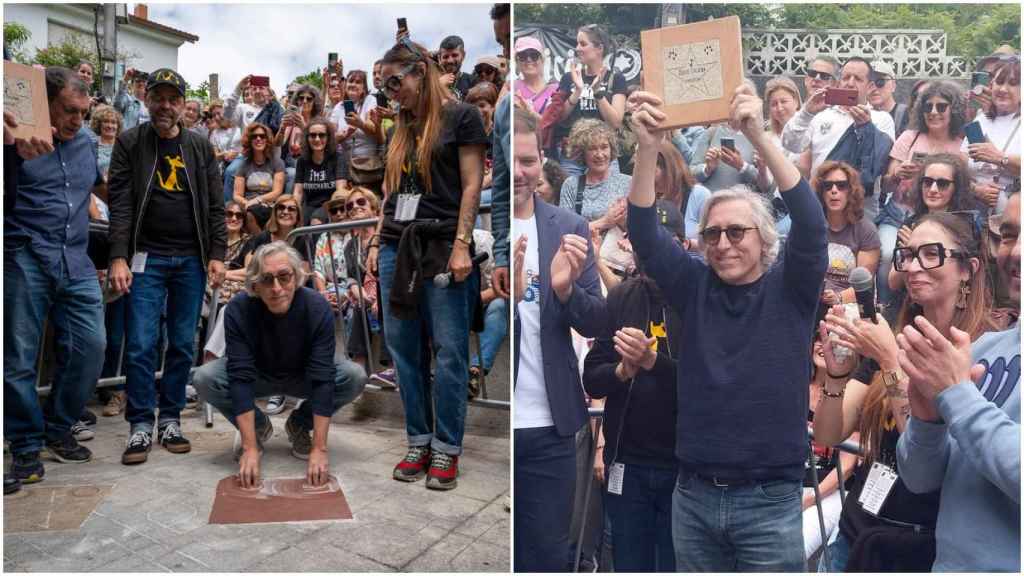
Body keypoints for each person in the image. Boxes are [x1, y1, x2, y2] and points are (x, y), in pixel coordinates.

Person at [626, 84, 828, 571]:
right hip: (692, 494)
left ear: (764, 239)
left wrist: (758, 135)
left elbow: (811, 223)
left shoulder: (792, 288)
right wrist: (649, 147)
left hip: (769, 501)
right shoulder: (695, 286)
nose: (722, 243)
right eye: (712, 234)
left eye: (736, 232)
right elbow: (644, 235)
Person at [815, 209, 995, 571]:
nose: (913, 266)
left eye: (931, 254)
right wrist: (834, 378)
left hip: (919, 549)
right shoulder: (892, 337)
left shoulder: (985, 351)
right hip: (854, 535)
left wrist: (891, 362)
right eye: (908, 255)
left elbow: (931, 463)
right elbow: (827, 433)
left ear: (968, 268)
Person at [367, 38, 487, 491]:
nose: (391, 91)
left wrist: (461, 245)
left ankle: (447, 447)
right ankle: (418, 438)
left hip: (442, 241)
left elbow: (472, 186)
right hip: (399, 243)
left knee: (451, 351)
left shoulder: (462, 115)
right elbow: (390, 192)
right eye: (384, 84)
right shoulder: (400, 124)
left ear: (421, 71)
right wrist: (380, 242)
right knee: (403, 349)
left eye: (396, 81)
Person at [106, 68, 226, 466]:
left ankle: (170, 418)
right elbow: (120, 203)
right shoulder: (129, 143)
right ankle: (140, 423)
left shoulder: (200, 147)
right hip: (146, 258)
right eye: (158, 97)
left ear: (182, 105)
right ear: (147, 100)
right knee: (140, 343)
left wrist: (217, 254)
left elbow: (214, 206)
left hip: (191, 258)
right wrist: (118, 255)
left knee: (180, 343)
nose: (165, 105)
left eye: (173, 98)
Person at [896, 190, 1020, 572]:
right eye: (1010, 234)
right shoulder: (983, 349)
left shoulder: (961, 365)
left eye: (931, 254)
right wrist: (927, 422)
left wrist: (956, 394)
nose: (1014, 252)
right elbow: (919, 479)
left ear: (968, 268)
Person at [512, 106, 606, 572]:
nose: (519, 172)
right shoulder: (473, 229)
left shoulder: (570, 227)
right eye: (509, 158)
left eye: (528, 161)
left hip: (550, 423)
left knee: (546, 554)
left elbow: (595, 322)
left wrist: (565, 290)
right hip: (500, 429)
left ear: (541, 160)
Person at [192, 241, 367, 488]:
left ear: (296, 277)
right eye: (266, 279)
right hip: (257, 376)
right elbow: (240, 376)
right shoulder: (238, 309)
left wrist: (320, 448)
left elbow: (322, 378)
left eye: (284, 277)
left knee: (353, 375)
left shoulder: (316, 307)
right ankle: (258, 427)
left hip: (302, 375)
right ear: (255, 285)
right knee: (204, 377)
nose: (276, 288)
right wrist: (249, 447)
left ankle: (299, 424)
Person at [4, 66, 106, 484]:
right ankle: (26, 446)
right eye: (69, 110)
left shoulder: (87, 142)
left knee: (92, 346)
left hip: (76, 259)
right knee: (19, 358)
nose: (77, 120)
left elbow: (103, 190)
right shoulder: (13, 136)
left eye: (83, 112)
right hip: (25, 253)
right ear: (46, 104)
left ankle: (59, 426)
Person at [582, 203, 684, 572]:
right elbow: (592, 375)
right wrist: (623, 371)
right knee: (628, 562)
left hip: (684, 466)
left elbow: (709, 382)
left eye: (663, 244)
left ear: (683, 245)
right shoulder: (623, 296)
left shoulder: (697, 298)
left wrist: (652, 363)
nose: (652, 254)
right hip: (628, 460)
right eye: (644, 244)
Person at [878, 82, 969, 305]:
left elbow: (964, 186)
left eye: (941, 107)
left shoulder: (962, 144)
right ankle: (887, 307)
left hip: (944, 218)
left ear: (953, 109)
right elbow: (887, 185)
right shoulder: (910, 137)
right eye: (928, 107)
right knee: (890, 255)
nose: (934, 112)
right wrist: (898, 173)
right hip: (901, 215)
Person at [789, 58, 896, 221]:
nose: (850, 83)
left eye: (858, 79)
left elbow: (877, 167)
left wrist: (867, 128)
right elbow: (791, 144)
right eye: (846, 78)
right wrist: (806, 112)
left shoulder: (881, 119)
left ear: (870, 86)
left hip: (860, 215)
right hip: (819, 209)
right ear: (838, 82)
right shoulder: (820, 115)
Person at [886, 154, 979, 312]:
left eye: (942, 184)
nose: (933, 189)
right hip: (912, 306)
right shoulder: (910, 224)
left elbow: (973, 279)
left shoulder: (967, 226)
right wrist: (910, 251)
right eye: (927, 182)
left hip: (957, 308)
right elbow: (893, 283)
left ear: (956, 188)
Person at [552, 24, 628, 177]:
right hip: (573, 155)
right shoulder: (569, 77)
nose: (577, 48)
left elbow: (615, 122)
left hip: (604, 155)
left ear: (599, 48)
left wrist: (598, 93)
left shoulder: (616, 78)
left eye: (583, 43)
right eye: (577, 43)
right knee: (570, 196)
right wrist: (577, 92)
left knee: (608, 199)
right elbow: (558, 117)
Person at [813, 161, 881, 306]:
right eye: (827, 186)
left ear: (851, 191)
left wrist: (838, 298)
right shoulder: (811, 226)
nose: (834, 190)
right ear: (821, 192)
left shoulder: (866, 230)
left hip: (850, 303)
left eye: (841, 185)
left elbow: (864, 285)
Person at [963, 56, 1020, 221]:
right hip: (975, 214)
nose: (1003, 89)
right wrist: (977, 189)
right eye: (999, 82)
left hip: (1013, 218)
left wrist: (999, 158)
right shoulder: (981, 119)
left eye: (1013, 83)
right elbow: (960, 165)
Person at [558, 118, 632, 230]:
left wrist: (623, 223)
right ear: (581, 153)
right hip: (585, 246)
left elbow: (643, 229)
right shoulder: (571, 185)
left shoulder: (628, 183)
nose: (600, 154)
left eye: (604, 147)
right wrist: (604, 222)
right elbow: (564, 229)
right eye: (592, 148)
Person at [222, 74, 285, 195]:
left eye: (261, 88)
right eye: (254, 88)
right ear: (250, 91)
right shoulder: (243, 108)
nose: (257, 91)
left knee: (291, 175)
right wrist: (239, 88)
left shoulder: (278, 108)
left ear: (268, 90)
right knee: (230, 171)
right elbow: (227, 113)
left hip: (272, 157)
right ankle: (230, 210)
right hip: (247, 157)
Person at [781, 55, 840, 155]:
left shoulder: (839, 116)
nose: (817, 78)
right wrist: (806, 114)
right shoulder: (798, 113)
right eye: (813, 73)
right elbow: (790, 145)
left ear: (835, 84)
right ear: (806, 80)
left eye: (824, 76)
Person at [335, 70, 382, 193]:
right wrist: (342, 135)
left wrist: (359, 124)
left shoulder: (370, 100)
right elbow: (329, 137)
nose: (353, 85)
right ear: (345, 86)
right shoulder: (339, 106)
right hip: (346, 165)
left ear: (364, 88)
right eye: (350, 81)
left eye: (358, 82)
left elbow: (374, 129)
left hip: (368, 165)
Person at [234, 122, 286, 233]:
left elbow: (277, 192)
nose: (258, 139)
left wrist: (258, 200)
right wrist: (247, 203)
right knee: (249, 214)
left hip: (270, 205)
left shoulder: (277, 163)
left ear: (267, 140)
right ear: (249, 140)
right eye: (254, 136)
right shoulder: (244, 165)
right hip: (249, 207)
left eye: (262, 136)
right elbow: (237, 195)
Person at [293, 117, 343, 224]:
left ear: (328, 138)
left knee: (316, 220)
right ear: (307, 138)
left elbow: (340, 191)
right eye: (312, 135)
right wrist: (295, 210)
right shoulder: (302, 160)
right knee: (296, 222)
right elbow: (298, 192)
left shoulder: (337, 158)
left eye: (321, 135)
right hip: (309, 205)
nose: (317, 139)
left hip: (331, 205)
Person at [513, 35, 557, 119]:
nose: (529, 60)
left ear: (542, 60)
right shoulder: (511, 88)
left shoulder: (556, 89)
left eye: (534, 55)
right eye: (523, 56)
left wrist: (531, 113)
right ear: (517, 62)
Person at [867, 61, 910, 139]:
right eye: (869, 83)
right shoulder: (858, 115)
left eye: (880, 82)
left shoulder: (907, 114)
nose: (873, 88)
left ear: (893, 85)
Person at [438, 35, 475, 100]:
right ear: (439, 58)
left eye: (454, 55)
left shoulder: (473, 82)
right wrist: (438, 86)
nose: (450, 60)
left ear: (463, 55)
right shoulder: (431, 82)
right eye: (445, 57)